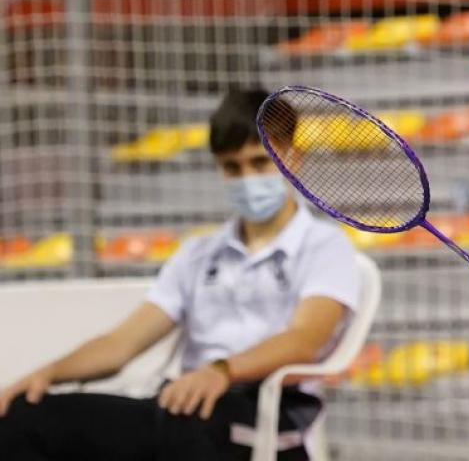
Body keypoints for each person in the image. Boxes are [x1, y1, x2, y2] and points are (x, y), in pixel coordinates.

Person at [0, 89, 361, 461]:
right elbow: (122, 344)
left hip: (269, 417)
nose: (247, 179)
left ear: (292, 158)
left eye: (259, 162)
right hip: (183, 404)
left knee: (186, 426)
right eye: (232, 167)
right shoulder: (197, 254)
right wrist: (48, 373)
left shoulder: (325, 246)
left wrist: (222, 372)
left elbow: (305, 340)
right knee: (24, 419)